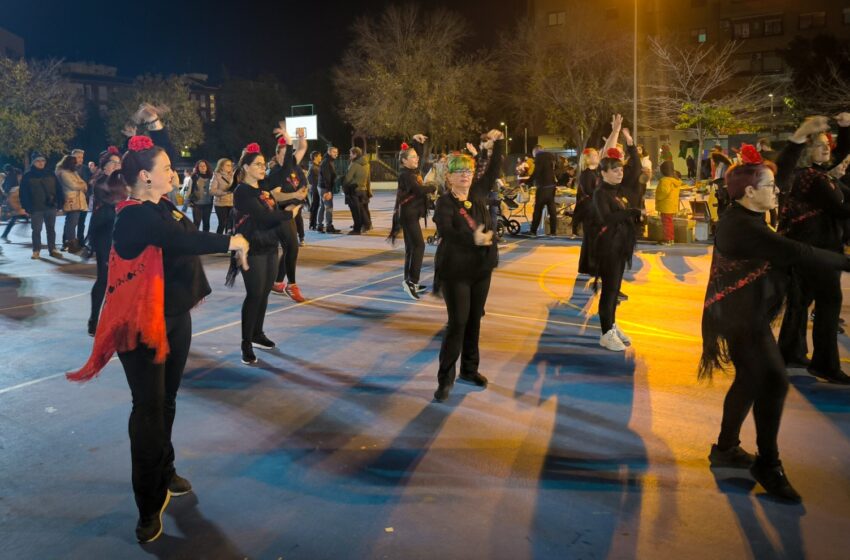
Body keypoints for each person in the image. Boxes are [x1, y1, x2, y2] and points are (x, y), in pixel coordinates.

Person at [67, 116, 250, 543]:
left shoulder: (161, 205)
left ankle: (164, 471)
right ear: (146, 177)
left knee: (166, 402)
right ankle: (148, 505)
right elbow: (181, 239)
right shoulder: (134, 217)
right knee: (148, 412)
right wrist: (230, 241)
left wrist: (155, 128)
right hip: (141, 328)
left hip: (174, 319)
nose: (174, 172)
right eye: (167, 168)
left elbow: (157, 179)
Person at [699, 144, 850, 503]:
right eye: (769, 187)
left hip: (742, 312)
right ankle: (768, 463)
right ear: (750, 192)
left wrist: (796, 143)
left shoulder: (747, 213)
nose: (777, 192)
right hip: (739, 318)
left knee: (749, 379)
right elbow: (798, 252)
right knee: (774, 382)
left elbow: (781, 177)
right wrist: (846, 262)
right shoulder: (742, 225)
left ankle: (725, 448)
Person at [777, 114, 850, 383]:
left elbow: (840, 156)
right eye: (819, 145)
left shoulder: (814, 175)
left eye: (827, 144)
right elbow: (841, 209)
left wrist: (844, 129)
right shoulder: (814, 178)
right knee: (829, 304)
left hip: (806, 249)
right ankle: (825, 364)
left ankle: (790, 352)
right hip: (820, 252)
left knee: (799, 302)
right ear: (807, 151)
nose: (826, 148)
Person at [432, 129, 504, 401]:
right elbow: (446, 231)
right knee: (458, 323)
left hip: (481, 270)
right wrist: (472, 237)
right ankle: (445, 379)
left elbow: (494, 168)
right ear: (449, 177)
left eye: (468, 171)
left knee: (474, 321)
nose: (465, 175)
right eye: (459, 171)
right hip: (456, 271)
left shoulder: (478, 192)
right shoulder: (444, 203)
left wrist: (498, 143)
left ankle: (469, 370)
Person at [228, 142, 300, 364]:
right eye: (258, 164)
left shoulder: (263, 187)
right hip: (251, 249)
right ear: (246, 168)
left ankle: (257, 334)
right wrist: (289, 214)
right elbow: (264, 217)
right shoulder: (242, 191)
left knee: (265, 293)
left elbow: (285, 170)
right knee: (255, 294)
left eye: (263, 164)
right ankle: (246, 343)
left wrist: (290, 145)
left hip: (269, 246)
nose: (262, 167)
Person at [591, 143, 644, 351]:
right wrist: (630, 212)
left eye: (621, 169)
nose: (620, 173)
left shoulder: (617, 191)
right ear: (603, 173)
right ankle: (606, 333)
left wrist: (631, 145)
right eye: (615, 170)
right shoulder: (600, 193)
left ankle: (611, 325)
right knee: (609, 291)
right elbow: (606, 218)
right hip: (608, 249)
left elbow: (636, 169)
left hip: (620, 247)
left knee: (614, 291)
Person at [388, 134, 436, 299]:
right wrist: (433, 187)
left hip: (410, 214)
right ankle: (412, 281)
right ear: (404, 161)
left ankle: (408, 281)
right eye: (413, 157)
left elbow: (419, 159)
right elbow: (418, 190)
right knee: (419, 246)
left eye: (416, 156)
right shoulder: (406, 175)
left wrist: (417, 142)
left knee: (411, 248)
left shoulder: (411, 171)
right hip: (408, 215)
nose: (417, 159)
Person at [265, 129, 309, 303]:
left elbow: (302, 147)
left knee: (290, 248)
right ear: (277, 156)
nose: (286, 158)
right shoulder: (276, 172)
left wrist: (300, 136)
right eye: (283, 155)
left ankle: (277, 282)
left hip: (293, 211)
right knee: (292, 247)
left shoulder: (293, 164)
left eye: (288, 155)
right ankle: (291, 285)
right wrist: (295, 196)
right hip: (281, 213)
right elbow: (276, 195)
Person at [87, 147, 124, 336]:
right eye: (113, 163)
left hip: (121, 234)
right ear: (104, 167)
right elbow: (113, 204)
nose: (117, 166)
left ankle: (114, 319)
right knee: (104, 278)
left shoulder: (122, 182)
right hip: (104, 235)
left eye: (119, 163)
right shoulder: (101, 183)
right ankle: (94, 319)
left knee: (121, 280)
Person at [20, 151, 62, 259]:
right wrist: (26, 207)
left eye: (43, 160)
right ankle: (36, 251)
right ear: (33, 163)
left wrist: (60, 203)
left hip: (50, 207)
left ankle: (52, 249)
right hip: (36, 208)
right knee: (36, 230)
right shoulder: (27, 176)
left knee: (51, 229)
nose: (41, 163)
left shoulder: (51, 174)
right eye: (38, 161)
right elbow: (23, 193)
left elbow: (58, 189)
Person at [575, 148, 601, 274]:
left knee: (592, 239)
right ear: (588, 158)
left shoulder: (596, 172)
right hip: (589, 210)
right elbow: (589, 191)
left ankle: (587, 267)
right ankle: (590, 267)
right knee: (590, 239)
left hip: (594, 208)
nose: (597, 157)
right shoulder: (586, 174)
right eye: (594, 155)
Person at [56, 155, 89, 253]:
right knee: (71, 223)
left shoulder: (73, 172)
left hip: (78, 200)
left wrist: (81, 185)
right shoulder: (64, 173)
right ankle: (71, 244)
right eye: (74, 163)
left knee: (72, 222)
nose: (76, 164)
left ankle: (69, 243)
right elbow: (74, 185)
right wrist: (81, 185)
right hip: (71, 201)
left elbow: (84, 184)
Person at [528, 145, 557, 236]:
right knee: (552, 210)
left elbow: (537, 172)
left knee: (538, 210)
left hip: (542, 187)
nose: (534, 156)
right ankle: (553, 231)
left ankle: (533, 231)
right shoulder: (552, 157)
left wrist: (528, 181)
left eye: (533, 154)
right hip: (552, 187)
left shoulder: (539, 157)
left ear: (536, 151)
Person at [655, 160, 685, 246]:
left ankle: (668, 240)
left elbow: (663, 192)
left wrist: (657, 197)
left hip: (666, 206)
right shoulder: (675, 180)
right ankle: (670, 239)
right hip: (671, 205)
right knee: (669, 223)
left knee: (666, 223)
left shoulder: (665, 181)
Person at [343, 147, 370, 235]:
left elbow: (347, 179)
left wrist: (344, 186)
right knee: (362, 210)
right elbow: (368, 178)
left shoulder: (354, 164)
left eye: (351, 153)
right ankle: (366, 225)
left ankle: (357, 229)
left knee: (355, 211)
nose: (350, 155)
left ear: (355, 154)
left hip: (354, 190)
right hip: (363, 190)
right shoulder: (367, 164)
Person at [316, 146, 341, 233]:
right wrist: (329, 190)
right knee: (329, 207)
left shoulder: (328, 161)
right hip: (325, 188)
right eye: (334, 152)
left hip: (322, 186)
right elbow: (326, 177)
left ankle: (319, 226)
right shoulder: (326, 162)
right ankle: (329, 226)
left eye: (337, 152)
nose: (336, 154)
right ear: (329, 152)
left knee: (322, 206)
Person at [209, 158, 234, 235]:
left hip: (232, 203)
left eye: (230, 165)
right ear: (221, 166)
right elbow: (212, 190)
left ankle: (227, 239)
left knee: (230, 224)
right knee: (222, 223)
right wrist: (225, 192)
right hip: (220, 203)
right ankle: (218, 239)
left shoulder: (233, 175)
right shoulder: (216, 175)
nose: (230, 167)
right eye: (227, 165)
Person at [187, 160, 213, 232]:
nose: (202, 167)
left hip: (208, 203)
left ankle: (206, 237)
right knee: (196, 223)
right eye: (200, 166)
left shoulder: (211, 176)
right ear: (197, 168)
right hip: (197, 203)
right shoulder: (194, 177)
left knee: (206, 223)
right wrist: (188, 201)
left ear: (207, 167)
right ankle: (195, 237)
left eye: (204, 166)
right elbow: (189, 189)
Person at [307, 151, 322, 231]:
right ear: (315, 157)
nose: (321, 157)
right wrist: (315, 186)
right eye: (319, 156)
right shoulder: (314, 167)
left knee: (315, 206)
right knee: (315, 206)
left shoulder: (316, 166)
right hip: (316, 190)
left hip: (316, 189)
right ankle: (313, 224)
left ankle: (313, 224)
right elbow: (309, 178)